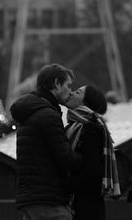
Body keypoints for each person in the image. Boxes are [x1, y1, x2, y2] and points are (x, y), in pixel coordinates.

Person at [10, 63, 83, 220]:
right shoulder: (48, 115)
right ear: (56, 83)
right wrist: (86, 158)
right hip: (49, 202)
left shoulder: (29, 113)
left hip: (31, 200)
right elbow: (65, 158)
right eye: (68, 86)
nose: (70, 91)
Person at [65, 85, 120, 220]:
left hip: (86, 207)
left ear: (85, 103)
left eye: (77, 92)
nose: (71, 93)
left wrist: (65, 187)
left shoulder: (91, 129)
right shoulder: (74, 126)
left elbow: (91, 171)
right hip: (80, 203)